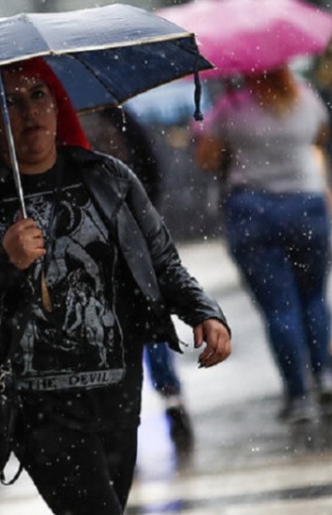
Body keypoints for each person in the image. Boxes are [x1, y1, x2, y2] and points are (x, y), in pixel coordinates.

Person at [0, 57, 231, 514]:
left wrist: (203, 310)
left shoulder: (108, 178)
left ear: (57, 103)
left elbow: (162, 262)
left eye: (38, 95)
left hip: (117, 393)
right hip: (35, 409)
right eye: (10, 102)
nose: (29, 111)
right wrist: (4, 266)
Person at [193, 65, 332, 424]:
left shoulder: (231, 108)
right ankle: (324, 377)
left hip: (254, 212)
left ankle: (298, 397)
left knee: (279, 308)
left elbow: (207, 160)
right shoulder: (306, 98)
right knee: (314, 299)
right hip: (307, 204)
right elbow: (320, 136)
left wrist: (214, 134)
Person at [83, 107, 194, 453]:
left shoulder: (59, 126)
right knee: (148, 318)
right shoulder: (116, 114)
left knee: (105, 327)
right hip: (127, 235)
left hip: (91, 241)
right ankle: (169, 396)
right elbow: (149, 168)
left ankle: (120, 411)